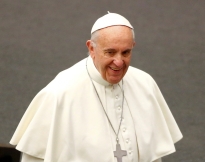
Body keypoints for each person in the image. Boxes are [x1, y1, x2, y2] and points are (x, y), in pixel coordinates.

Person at [10, 12, 183, 162]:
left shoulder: (145, 84)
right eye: (110, 52)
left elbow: (154, 156)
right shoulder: (60, 93)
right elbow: (35, 158)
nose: (119, 62)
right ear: (91, 48)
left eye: (126, 52)